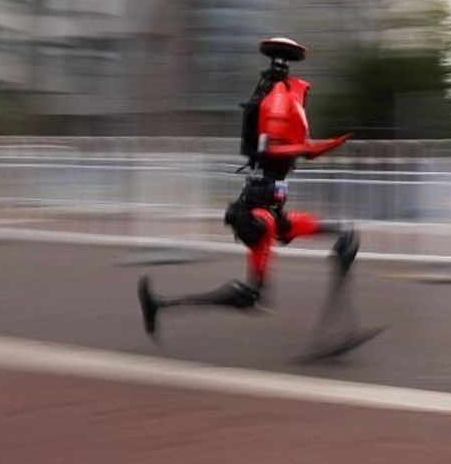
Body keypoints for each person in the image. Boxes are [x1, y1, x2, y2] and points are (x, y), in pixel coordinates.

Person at [137, 36, 355, 335]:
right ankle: (160, 305)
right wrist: (312, 148)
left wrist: (317, 147)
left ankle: (339, 325)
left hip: (274, 214)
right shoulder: (277, 101)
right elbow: (271, 150)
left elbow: (288, 147)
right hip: (257, 217)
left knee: (345, 234)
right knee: (253, 296)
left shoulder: (281, 100)